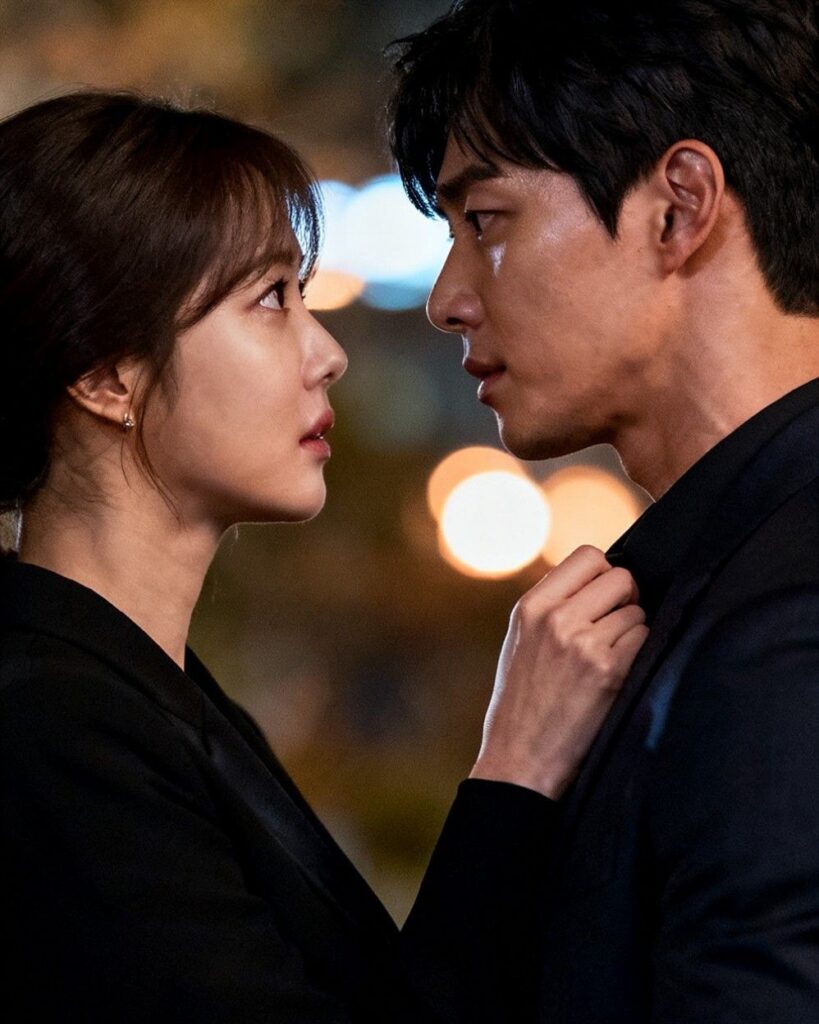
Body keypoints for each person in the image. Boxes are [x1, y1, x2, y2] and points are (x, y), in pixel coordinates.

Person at [0, 91, 648, 1022]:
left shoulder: (148, 693)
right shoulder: (53, 724)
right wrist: (515, 769)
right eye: (270, 298)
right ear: (105, 373)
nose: (327, 353)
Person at [388, 0, 819, 1020]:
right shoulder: (734, 574)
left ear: (679, 207)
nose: (447, 298)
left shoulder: (781, 622)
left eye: (484, 220)